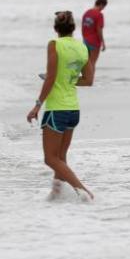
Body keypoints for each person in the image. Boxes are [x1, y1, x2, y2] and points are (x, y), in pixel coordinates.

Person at [27, 11, 94, 201]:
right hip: (73, 110)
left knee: (50, 158)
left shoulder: (54, 44)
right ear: (74, 28)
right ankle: (56, 194)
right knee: (60, 157)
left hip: (57, 109)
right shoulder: (82, 47)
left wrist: (37, 106)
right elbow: (88, 80)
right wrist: (68, 80)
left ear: (56, 29)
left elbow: (51, 78)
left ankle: (83, 192)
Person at [81, 0, 107, 69]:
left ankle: (86, 79)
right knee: (92, 63)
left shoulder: (86, 13)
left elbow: (83, 27)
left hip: (85, 41)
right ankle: (90, 80)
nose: (103, 9)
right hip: (94, 42)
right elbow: (99, 29)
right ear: (102, 5)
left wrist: (84, 38)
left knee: (87, 63)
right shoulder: (99, 15)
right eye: (104, 7)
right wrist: (103, 42)